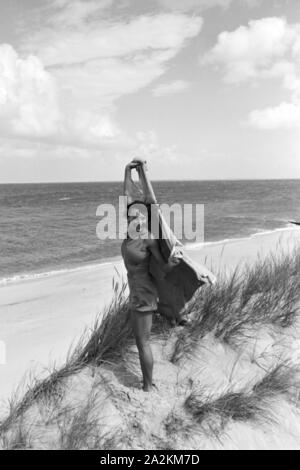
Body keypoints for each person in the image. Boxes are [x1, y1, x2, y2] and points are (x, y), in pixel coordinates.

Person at [121, 160, 180, 392]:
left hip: (144, 295)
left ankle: (147, 386)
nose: (135, 216)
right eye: (131, 213)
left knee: (143, 343)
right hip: (136, 293)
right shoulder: (129, 232)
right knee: (139, 341)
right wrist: (127, 172)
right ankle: (147, 382)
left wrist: (144, 174)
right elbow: (127, 197)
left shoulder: (147, 238)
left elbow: (163, 268)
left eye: (139, 214)